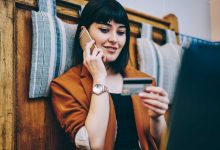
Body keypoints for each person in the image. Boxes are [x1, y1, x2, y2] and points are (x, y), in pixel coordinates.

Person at [50, 0, 169, 149]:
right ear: (84, 34)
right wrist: (99, 78)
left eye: (120, 32)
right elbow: (94, 145)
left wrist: (157, 118)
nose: (114, 40)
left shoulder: (139, 81)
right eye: (104, 30)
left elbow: (163, 143)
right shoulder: (65, 86)